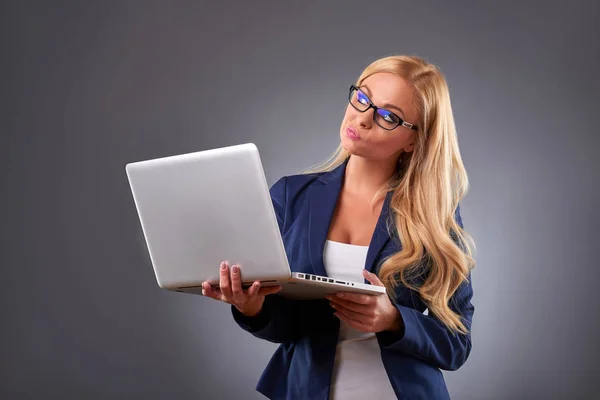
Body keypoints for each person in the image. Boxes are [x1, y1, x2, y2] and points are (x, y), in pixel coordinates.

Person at [201, 54, 476, 400]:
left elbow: (458, 342)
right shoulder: (291, 197)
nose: (362, 119)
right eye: (362, 98)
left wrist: (395, 320)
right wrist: (251, 307)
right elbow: (290, 328)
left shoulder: (434, 217)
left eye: (388, 116)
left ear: (413, 141)